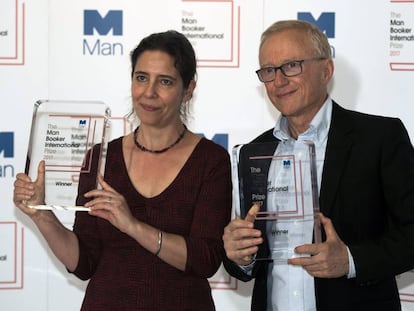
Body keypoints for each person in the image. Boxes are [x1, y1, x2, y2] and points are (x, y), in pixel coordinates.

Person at [13, 30, 232, 311]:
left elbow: (206, 259)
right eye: (141, 78)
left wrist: (132, 226)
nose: (149, 92)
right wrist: (42, 215)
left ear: (188, 89)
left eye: (164, 81)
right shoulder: (103, 157)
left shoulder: (210, 161)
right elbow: (84, 262)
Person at [222, 19, 414, 311]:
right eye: (269, 71)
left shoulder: (379, 138)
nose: (278, 81)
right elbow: (245, 264)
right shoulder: (254, 153)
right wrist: (239, 255)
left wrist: (349, 260)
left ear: (326, 70)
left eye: (291, 66)